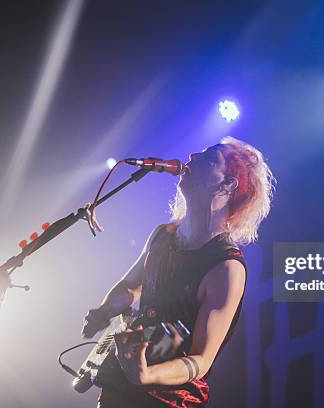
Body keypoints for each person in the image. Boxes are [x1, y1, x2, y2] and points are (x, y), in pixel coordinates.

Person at [82, 136, 275, 407]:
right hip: (119, 386)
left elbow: (201, 359)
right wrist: (105, 310)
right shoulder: (163, 235)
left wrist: (146, 375)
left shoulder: (226, 266)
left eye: (209, 158)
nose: (193, 156)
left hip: (168, 400)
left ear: (228, 184)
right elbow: (132, 286)